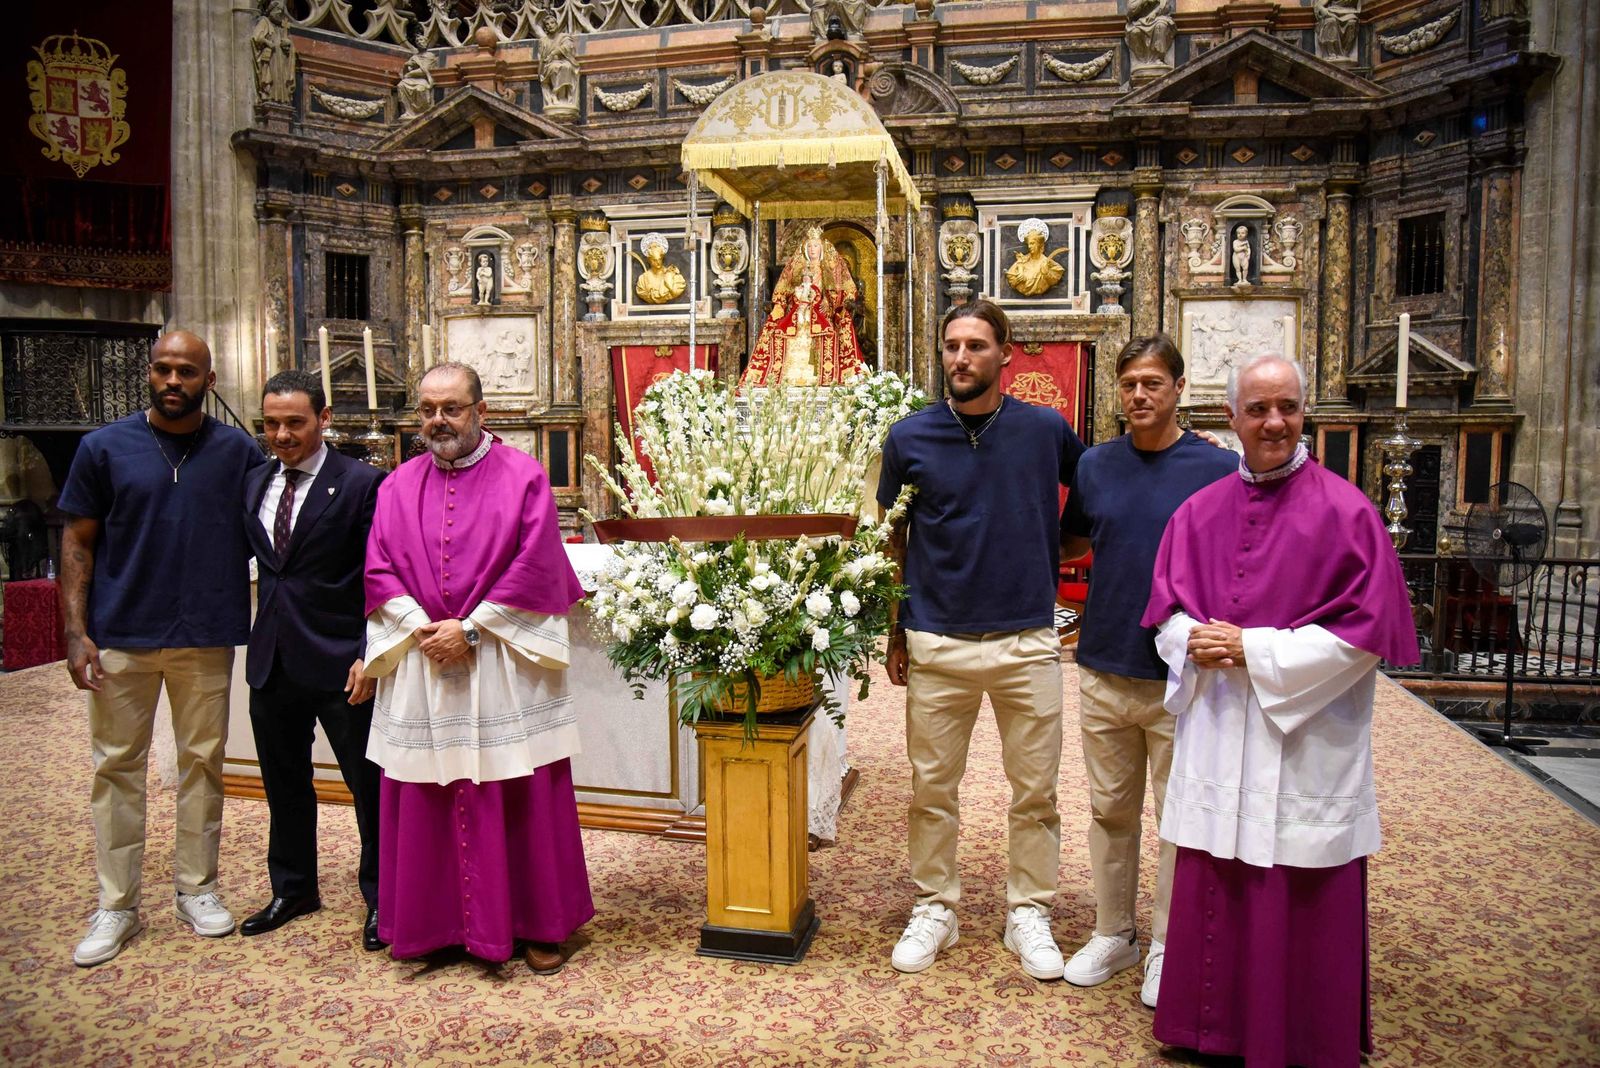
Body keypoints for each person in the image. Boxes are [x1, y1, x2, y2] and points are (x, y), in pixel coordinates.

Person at [1141, 353, 1419, 1065]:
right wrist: (1191, 640)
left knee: (1295, 879)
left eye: (1288, 407)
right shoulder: (1197, 511)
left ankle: (1303, 1035)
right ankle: (1209, 1028)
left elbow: (1366, 637)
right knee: (1214, 872)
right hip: (1220, 728)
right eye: (1258, 408)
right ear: (1230, 416)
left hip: (1301, 740)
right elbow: (1166, 613)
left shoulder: (1348, 512)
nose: (1274, 422)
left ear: (1304, 415)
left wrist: (1254, 650)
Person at [362, 362, 593, 973]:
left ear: (481, 412)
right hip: (424, 659)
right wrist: (423, 628)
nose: (438, 420)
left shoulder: (524, 477)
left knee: (516, 785)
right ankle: (433, 923)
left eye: (452, 408)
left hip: (501, 659)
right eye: (428, 409)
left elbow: (538, 563)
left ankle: (539, 921)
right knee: (428, 788)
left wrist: (469, 628)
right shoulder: (395, 485)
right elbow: (379, 566)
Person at [878, 299, 1085, 980]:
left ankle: (1029, 908)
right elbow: (894, 538)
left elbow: (1088, 506)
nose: (960, 358)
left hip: (1027, 639)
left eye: (975, 346)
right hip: (939, 638)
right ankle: (937, 905)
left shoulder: (1045, 430)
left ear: (1005, 353)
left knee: (1035, 790)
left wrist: (1040, 556)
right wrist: (895, 630)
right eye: (950, 346)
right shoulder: (908, 437)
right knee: (932, 788)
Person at [59, 330, 268, 966]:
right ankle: (117, 903)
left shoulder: (238, 452)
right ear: (149, 375)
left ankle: (196, 888)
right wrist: (74, 631)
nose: (172, 381)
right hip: (122, 633)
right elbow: (77, 542)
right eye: (162, 370)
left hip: (204, 634)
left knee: (201, 763)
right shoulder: (103, 448)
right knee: (116, 766)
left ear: (209, 380)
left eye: (186, 372)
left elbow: (274, 537)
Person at [1058, 335, 1237, 1007]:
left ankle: (1168, 943)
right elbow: (1073, 540)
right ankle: (1114, 932)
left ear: (1179, 388)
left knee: (1178, 818)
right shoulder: (1098, 466)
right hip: (1103, 663)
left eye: (1153, 383)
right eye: (1130, 383)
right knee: (1110, 811)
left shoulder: (1215, 469)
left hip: (1179, 676)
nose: (1139, 394)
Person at [240, 371, 386, 949]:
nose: (281, 434)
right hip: (272, 660)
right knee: (285, 784)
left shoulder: (361, 484)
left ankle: (382, 899)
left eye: (294, 423)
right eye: (271, 424)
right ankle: (294, 887)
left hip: (341, 661)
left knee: (367, 786)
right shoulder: (254, 484)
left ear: (323, 420)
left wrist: (368, 653)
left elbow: (380, 575)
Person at [741, 226, 866, 388]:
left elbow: (843, 290)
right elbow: (785, 288)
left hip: (823, 312)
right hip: (799, 312)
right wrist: (790, 301)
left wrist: (830, 302)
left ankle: (823, 374)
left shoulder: (829, 268)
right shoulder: (798, 267)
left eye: (815, 246)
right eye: (809, 246)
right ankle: (791, 375)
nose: (812, 249)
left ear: (821, 248)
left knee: (831, 330)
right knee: (780, 332)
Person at [1004, 219, 1067, 297]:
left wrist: (1046, 273)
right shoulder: (1022, 261)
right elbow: (1011, 279)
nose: (1029, 246)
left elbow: (1054, 279)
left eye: (1032, 243)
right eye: (1028, 244)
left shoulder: (1047, 262)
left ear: (1040, 244)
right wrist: (1018, 280)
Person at [633, 233, 686, 305]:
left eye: (659, 259)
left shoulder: (672, 274)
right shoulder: (643, 279)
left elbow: (677, 290)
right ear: (649, 260)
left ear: (662, 258)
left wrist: (669, 284)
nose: (658, 262)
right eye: (654, 260)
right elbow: (642, 293)